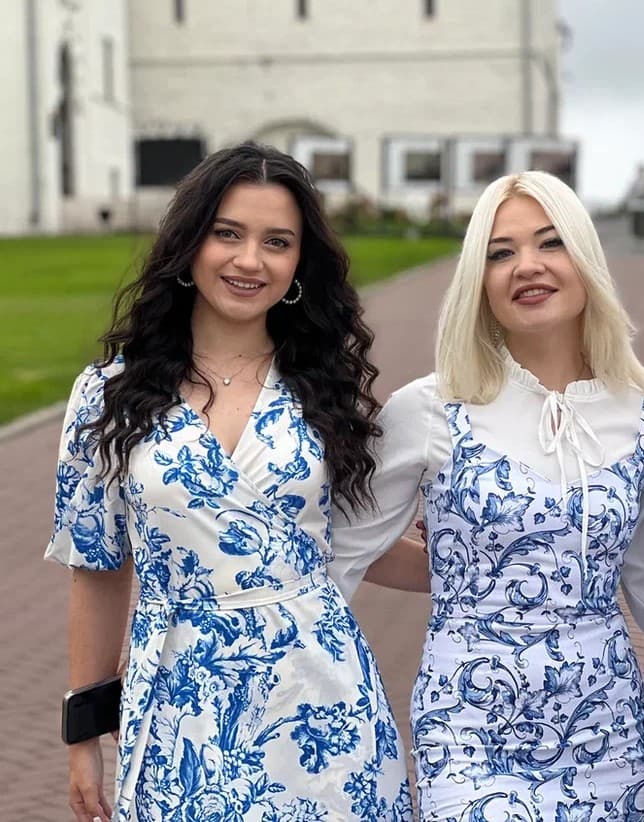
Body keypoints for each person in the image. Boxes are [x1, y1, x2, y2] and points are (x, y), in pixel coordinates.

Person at [45, 143, 413, 822]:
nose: (250, 260)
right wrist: (83, 734)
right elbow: (97, 569)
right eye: (228, 233)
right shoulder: (108, 395)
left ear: (298, 264)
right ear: (189, 244)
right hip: (179, 705)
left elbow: (353, 541)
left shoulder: (325, 389)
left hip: (322, 709)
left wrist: (499, 554)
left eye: (277, 242)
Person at [329, 170, 644, 821]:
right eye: (500, 252)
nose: (527, 266)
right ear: (479, 281)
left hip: (609, 738)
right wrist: (464, 575)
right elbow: (339, 549)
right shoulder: (431, 408)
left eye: (550, 243)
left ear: (584, 257)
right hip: (470, 737)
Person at [626, 162, 644, 250]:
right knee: (637, 223)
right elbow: (631, 193)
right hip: (637, 205)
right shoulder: (634, 182)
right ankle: (637, 239)